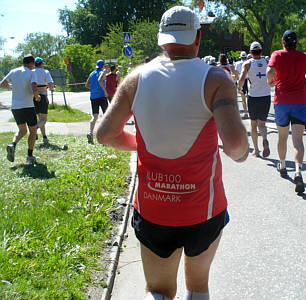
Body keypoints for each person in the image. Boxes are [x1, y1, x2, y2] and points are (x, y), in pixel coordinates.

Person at [96, 6, 249, 300]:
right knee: (198, 285)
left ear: (161, 40)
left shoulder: (136, 78)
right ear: (198, 37)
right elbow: (234, 147)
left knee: (158, 290)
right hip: (204, 209)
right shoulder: (216, 79)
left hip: (154, 209)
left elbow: (105, 135)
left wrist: (144, 145)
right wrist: (243, 153)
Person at [267, 30, 306, 194]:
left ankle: (282, 164)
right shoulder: (304, 57)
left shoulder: (277, 55)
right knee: (298, 140)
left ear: (283, 42)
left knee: (282, 137)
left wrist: (271, 81)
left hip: (282, 102)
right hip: (300, 102)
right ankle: (298, 172)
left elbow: (270, 71)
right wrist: (305, 78)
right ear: (296, 42)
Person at [0, 54, 41, 163]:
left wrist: (11, 86)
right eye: (33, 64)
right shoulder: (31, 73)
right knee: (33, 131)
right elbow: (34, 86)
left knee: (22, 131)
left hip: (15, 107)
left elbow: (2, 84)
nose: (33, 66)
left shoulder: (14, 71)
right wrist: (37, 97)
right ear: (31, 63)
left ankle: (12, 145)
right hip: (28, 106)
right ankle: (29, 156)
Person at [239, 41, 271, 158]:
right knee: (262, 123)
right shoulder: (267, 62)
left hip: (253, 97)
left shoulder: (247, 64)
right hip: (266, 96)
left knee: (253, 125)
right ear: (261, 52)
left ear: (251, 52)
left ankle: (256, 150)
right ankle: (265, 139)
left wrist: (239, 88)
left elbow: (242, 78)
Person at [31, 57, 54, 143]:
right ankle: (34, 130)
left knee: (40, 118)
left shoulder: (31, 72)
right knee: (43, 119)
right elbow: (50, 83)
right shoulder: (45, 72)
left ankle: (44, 137)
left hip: (33, 96)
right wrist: (52, 89)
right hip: (43, 96)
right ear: (41, 64)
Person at [85, 59, 108, 144]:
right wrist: (104, 90)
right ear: (103, 66)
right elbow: (100, 80)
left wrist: (94, 88)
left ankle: (90, 133)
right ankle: (104, 135)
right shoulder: (102, 72)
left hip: (93, 97)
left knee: (95, 116)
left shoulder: (91, 73)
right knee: (106, 116)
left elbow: (86, 85)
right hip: (102, 96)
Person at [234, 51, 249, 119]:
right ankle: (250, 111)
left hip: (240, 80)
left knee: (243, 98)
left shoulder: (237, 63)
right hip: (248, 80)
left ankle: (246, 112)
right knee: (249, 97)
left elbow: (237, 74)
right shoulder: (249, 62)